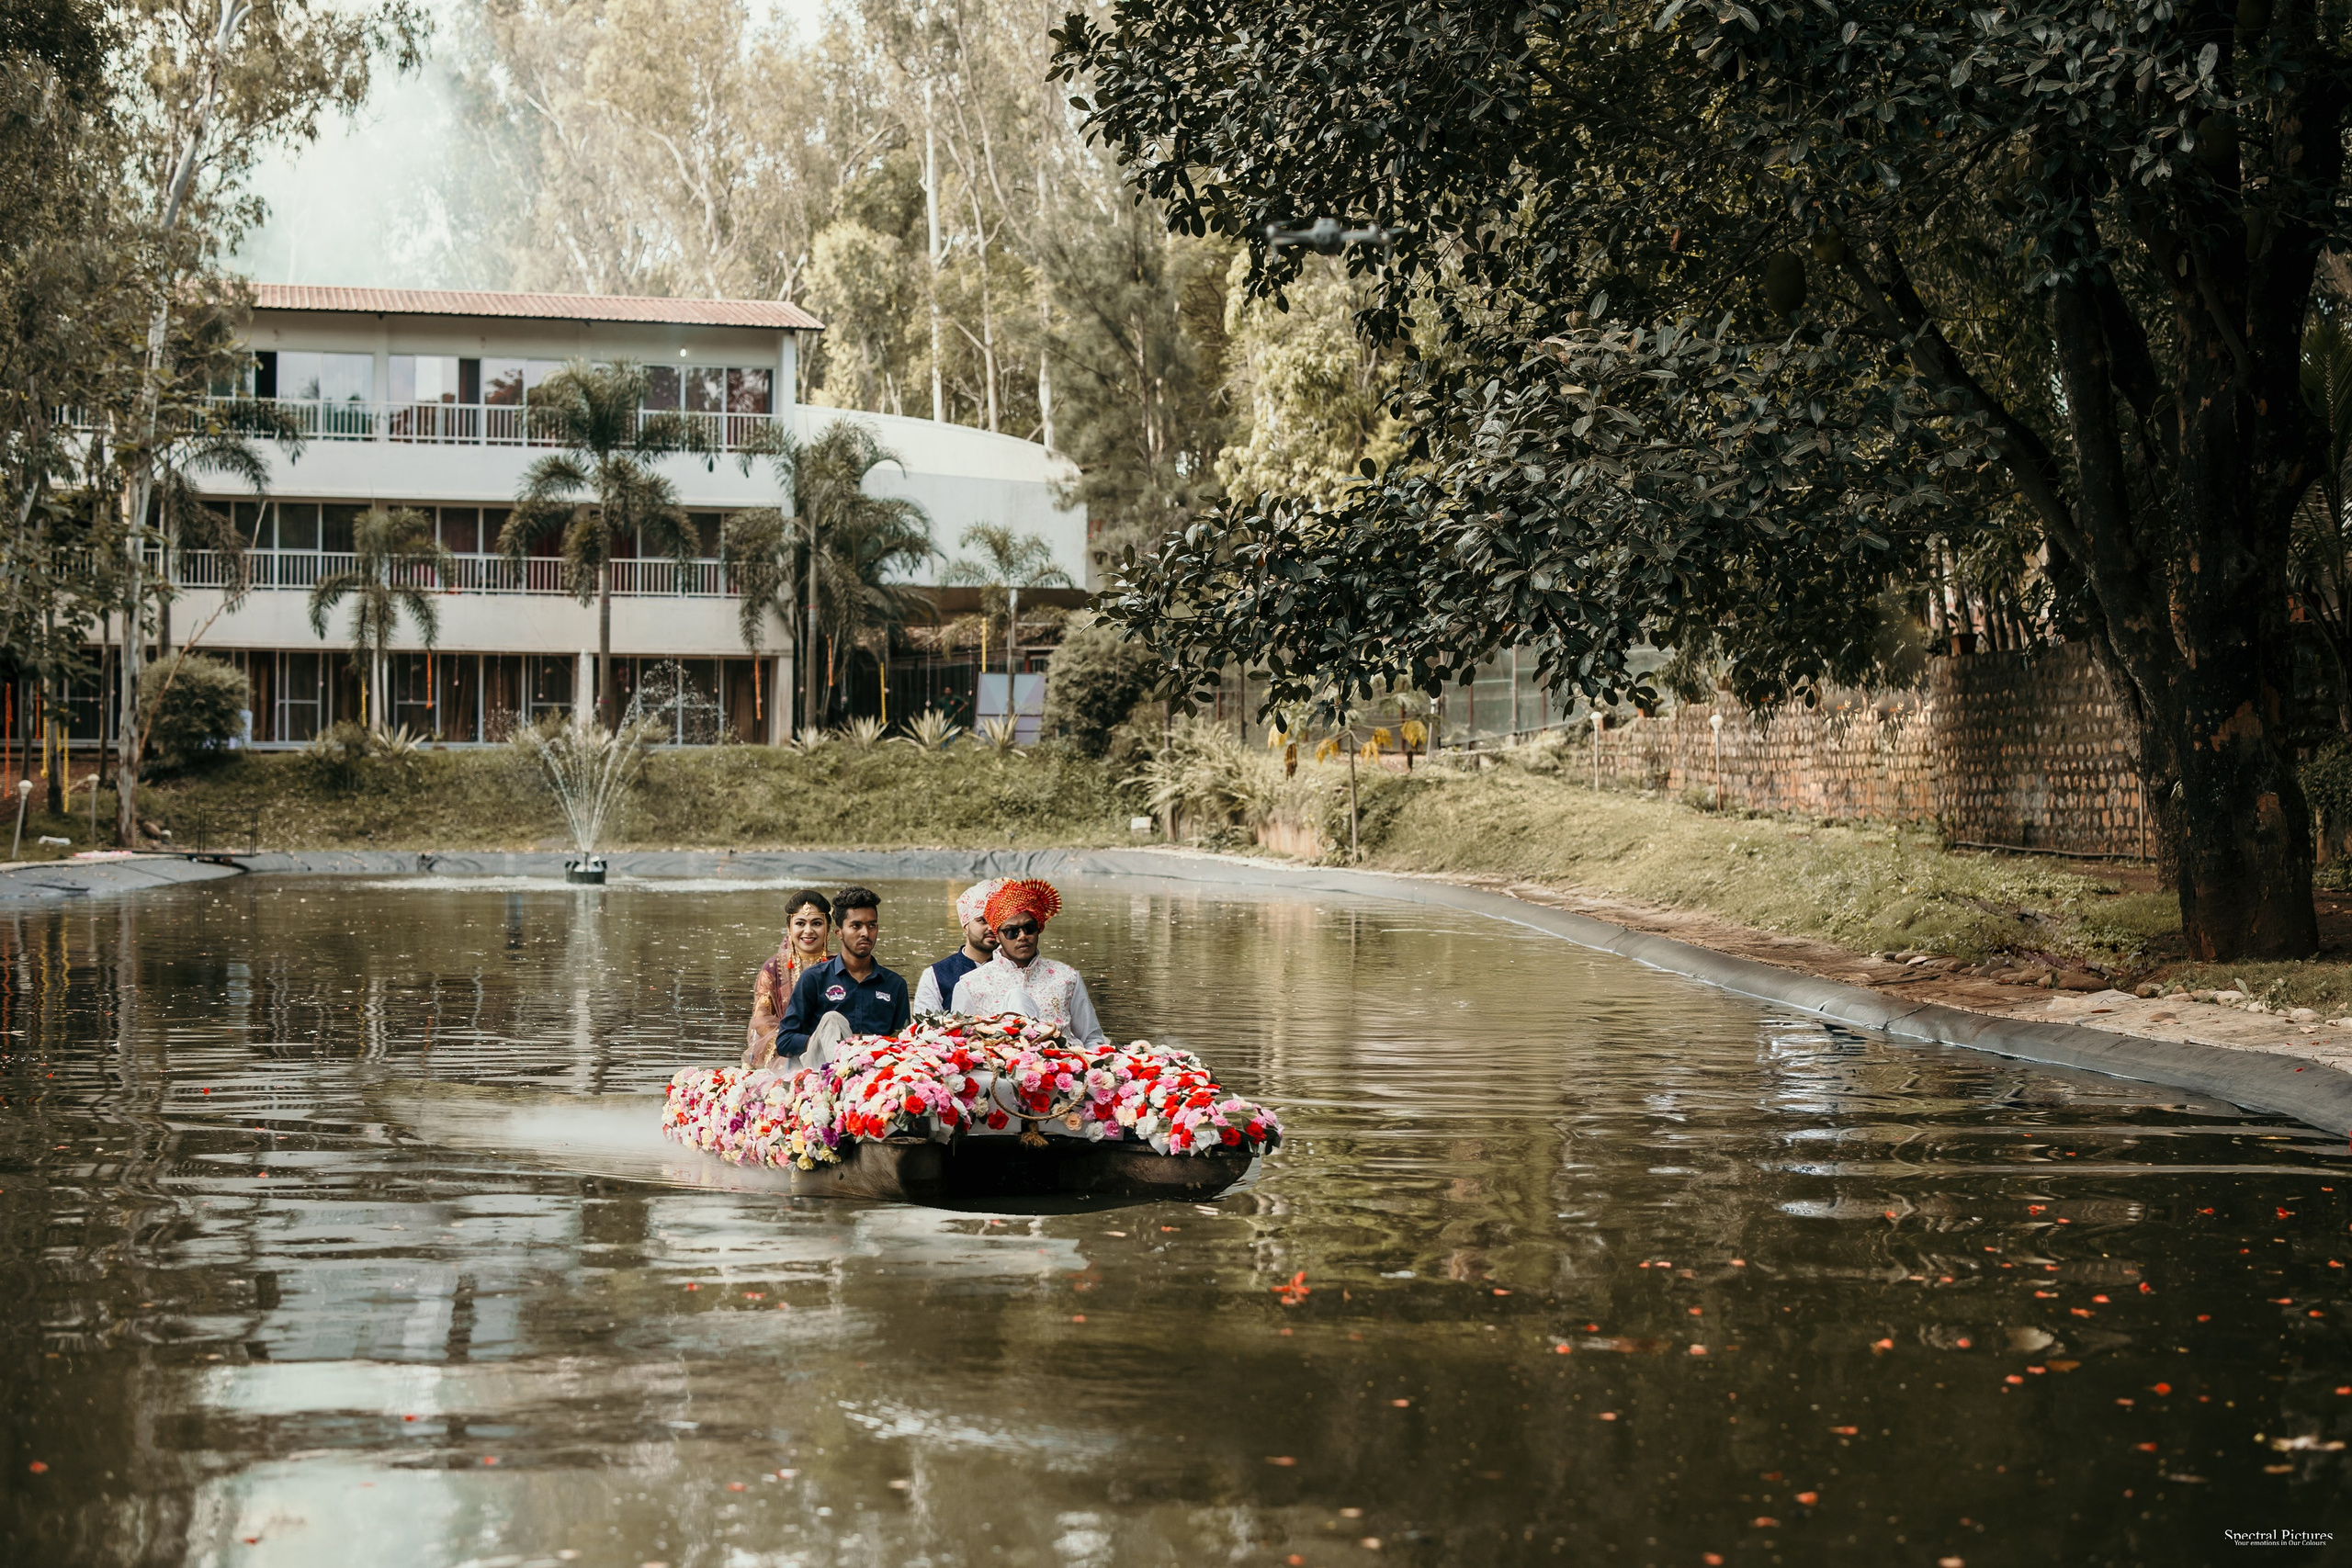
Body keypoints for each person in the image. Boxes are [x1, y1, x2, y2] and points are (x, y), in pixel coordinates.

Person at [949, 878, 1109, 1044]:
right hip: (999, 1065)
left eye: (1029, 928)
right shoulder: (971, 984)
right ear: (997, 935)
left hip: (1063, 1064)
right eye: (1011, 931)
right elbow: (961, 1044)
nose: (1022, 936)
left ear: (1038, 928)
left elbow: (1091, 1038)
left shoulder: (1067, 978)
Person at [775, 886, 911, 1069]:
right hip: (822, 1074)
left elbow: (904, 1044)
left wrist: (865, 1044)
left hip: (874, 1075)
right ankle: (842, 1072)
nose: (865, 933)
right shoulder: (814, 979)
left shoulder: (894, 985)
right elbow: (784, 1041)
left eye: (872, 925)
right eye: (856, 926)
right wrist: (824, 1040)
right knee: (833, 1021)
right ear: (839, 933)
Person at [743, 889, 832, 1068]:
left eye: (816, 923)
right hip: (786, 1051)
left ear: (828, 928)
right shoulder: (773, 968)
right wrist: (795, 1046)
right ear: (789, 928)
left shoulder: (839, 966)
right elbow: (761, 1017)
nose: (808, 931)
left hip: (831, 1048)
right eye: (800, 923)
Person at [913, 878, 1004, 1014]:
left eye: (997, 921)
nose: (991, 927)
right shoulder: (936, 975)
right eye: (982, 920)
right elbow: (924, 1027)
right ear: (965, 926)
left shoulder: (1012, 970)